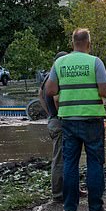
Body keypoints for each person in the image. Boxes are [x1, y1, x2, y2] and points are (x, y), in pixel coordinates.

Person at [45, 29, 106, 211]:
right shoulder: (94, 62)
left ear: (72, 42)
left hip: (68, 120)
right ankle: (96, 208)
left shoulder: (60, 62)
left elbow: (49, 90)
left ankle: (69, 209)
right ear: (88, 43)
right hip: (92, 119)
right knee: (95, 164)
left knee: (70, 164)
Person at [38, 51, 68, 203]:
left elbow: (39, 95)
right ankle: (58, 193)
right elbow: (56, 99)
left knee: (64, 157)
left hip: (52, 121)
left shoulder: (46, 78)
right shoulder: (57, 77)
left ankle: (69, 189)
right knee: (61, 158)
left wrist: (48, 113)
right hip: (59, 122)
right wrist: (59, 115)